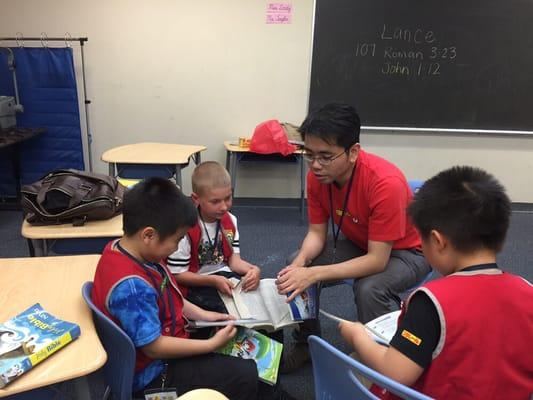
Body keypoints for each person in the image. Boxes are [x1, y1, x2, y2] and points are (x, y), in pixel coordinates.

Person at [339, 166, 533, 399]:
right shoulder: (527, 291)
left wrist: (357, 334)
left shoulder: (430, 301)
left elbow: (396, 373)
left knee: (352, 363)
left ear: (437, 241)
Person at [275, 102, 431, 371]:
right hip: (362, 242)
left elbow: (376, 262)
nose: (315, 165)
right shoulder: (318, 177)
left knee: (370, 287)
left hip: (408, 252)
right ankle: (306, 345)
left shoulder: (385, 182)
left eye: (325, 156)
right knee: (296, 265)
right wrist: (301, 262)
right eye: (308, 154)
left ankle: (385, 360)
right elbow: (316, 233)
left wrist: (312, 275)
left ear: (353, 152)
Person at [91, 177, 258, 399]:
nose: (177, 247)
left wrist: (206, 315)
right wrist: (209, 345)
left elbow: (170, 293)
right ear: (148, 235)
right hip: (152, 376)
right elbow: (154, 347)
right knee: (244, 373)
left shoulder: (128, 250)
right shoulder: (132, 288)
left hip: (163, 345)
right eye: (177, 240)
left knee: (242, 348)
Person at [167, 161, 261, 313]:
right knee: (228, 311)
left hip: (223, 276)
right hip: (195, 282)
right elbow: (177, 274)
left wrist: (253, 270)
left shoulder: (230, 221)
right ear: (196, 199)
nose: (224, 206)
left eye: (228, 198)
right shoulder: (185, 228)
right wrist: (212, 281)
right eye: (215, 201)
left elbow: (234, 260)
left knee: (256, 302)